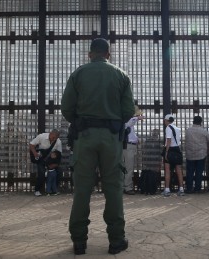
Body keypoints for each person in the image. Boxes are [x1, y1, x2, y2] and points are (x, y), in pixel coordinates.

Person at [61, 38, 134, 255]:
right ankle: (116, 241)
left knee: (82, 188)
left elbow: (66, 107)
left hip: (84, 137)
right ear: (108, 55)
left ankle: (79, 241)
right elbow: (128, 110)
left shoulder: (79, 74)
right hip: (111, 138)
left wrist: (81, 122)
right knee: (113, 188)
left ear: (90, 54)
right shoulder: (121, 75)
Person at [29, 129, 62, 197]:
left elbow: (59, 155)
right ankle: (37, 190)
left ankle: (53, 189)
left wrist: (55, 164)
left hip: (51, 160)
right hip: (41, 159)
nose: (54, 139)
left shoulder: (58, 142)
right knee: (41, 173)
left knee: (59, 172)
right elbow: (31, 145)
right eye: (53, 137)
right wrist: (35, 153)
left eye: (55, 138)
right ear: (50, 134)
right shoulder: (42, 136)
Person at [161, 114, 185, 197]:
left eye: (164, 120)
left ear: (167, 120)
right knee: (179, 170)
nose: (164, 121)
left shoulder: (168, 128)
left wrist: (166, 152)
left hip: (170, 149)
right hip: (177, 149)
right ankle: (181, 189)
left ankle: (167, 190)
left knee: (167, 170)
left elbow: (168, 140)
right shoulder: (177, 128)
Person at [184, 116, 209, 194]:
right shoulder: (204, 131)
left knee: (190, 172)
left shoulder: (188, 131)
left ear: (193, 121)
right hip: (201, 154)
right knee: (199, 172)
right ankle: (197, 188)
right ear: (201, 122)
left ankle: (189, 188)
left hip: (190, 154)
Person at [123, 105, 144, 195]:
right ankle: (127, 187)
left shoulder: (127, 121)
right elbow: (128, 123)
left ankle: (124, 186)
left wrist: (137, 139)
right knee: (129, 168)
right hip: (128, 146)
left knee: (125, 167)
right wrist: (137, 118)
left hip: (128, 146)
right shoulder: (128, 120)